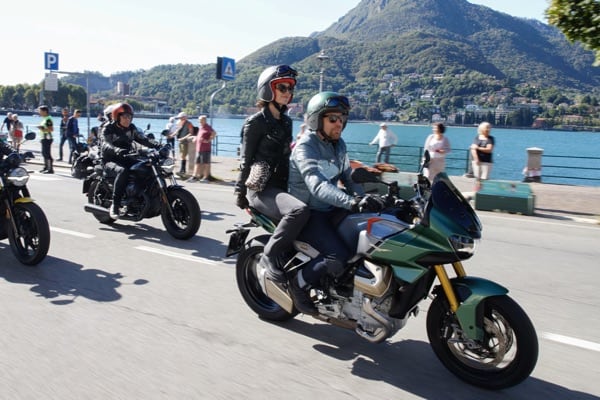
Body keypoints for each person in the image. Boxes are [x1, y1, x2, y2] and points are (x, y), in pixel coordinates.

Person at [288, 91, 385, 314]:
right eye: (333, 118)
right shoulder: (305, 147)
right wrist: (352, 202)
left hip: (330, 207)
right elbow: (317, 185)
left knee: (367, 237)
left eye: (342, 119)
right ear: (316, 119)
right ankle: (298, 284)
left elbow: (349, 178)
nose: (339, 123)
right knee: (337, 255)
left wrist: (365, 199)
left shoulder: (338, 144)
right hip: (308, 213)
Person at [234, 64, 311, 311]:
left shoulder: (286, 121)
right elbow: (246, 160)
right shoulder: (255, 122)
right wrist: (240, 192)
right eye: (282, 87)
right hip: (261, 190)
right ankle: (269, 257)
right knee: (299, 211)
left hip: (282, 188)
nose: (288, 92)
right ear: (268, 90)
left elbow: (288, 157)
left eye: (290, 88)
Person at [100, 103, 161, 219]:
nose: (128, 119)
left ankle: (140, 195)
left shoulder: (131, 128)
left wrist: (159, 145)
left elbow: (144, 140)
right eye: (125, 116)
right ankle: (115, 205)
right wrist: (117, 149)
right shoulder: (108, 128)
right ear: (117, 117)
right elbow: (105, 144)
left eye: (129, 117)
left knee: (146, 166)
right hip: (109, 160)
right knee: (123, 171)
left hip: (127, 157)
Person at [188, 115, 216, 182]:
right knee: (197, 163)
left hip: (205, 149)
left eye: (201, 120)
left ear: (204, 120)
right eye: (199, 120)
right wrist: (196, 138)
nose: (199, 121)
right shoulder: (201, 127)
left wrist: (208, 140)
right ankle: (194, 176)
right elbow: (200, 135)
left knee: (205, 163)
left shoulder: (208, 127)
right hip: (199, 148)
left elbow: (214, 133)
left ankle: (205, 178)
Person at [173, 112, 195, 177]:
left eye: (181, 117)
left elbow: (191, 133)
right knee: (182, 156)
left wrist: (183, 138)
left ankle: (183, 170)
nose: (180, 119)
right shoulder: (179, 123)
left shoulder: (189, 124)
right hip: (180, 142)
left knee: (183, 156)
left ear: (185, 117)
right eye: (180, 118)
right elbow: (177, 131)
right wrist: (172, 135)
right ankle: (182, 170)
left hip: (186, 142)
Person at [37, 106, 55, 174]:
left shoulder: (48, 119)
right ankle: (46, 167)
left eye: (40, 111)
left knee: (47, 153)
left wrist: (42, 128)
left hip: (47, 138)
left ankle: (50, 169)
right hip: (43, 138)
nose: (39, 113)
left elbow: (51, 129)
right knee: (44, 153)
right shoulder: (44, 119)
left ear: (45, 111)